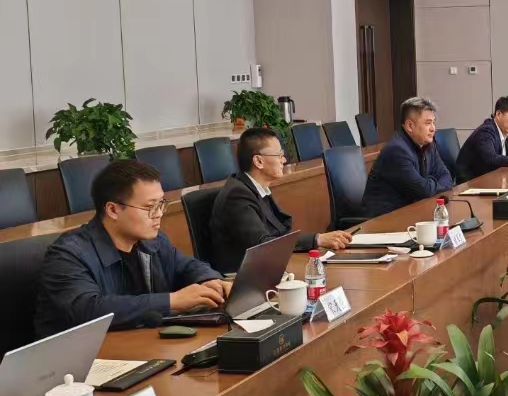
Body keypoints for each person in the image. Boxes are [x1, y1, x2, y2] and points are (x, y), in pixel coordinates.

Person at [35, 159, 229, 337]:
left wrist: (211, 281)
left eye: (161, 204)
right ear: (113, 210)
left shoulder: (153, 241)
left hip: (139, 345)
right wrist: (172, 301)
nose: (159, 214)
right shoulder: (68, 255)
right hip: (83, 356)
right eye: (150, 207)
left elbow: (186, 266)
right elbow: (89, 310)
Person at [209, 128, 352, 274]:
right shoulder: (237, 196)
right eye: (279, 155)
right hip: (245, 277)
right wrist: (317, 239)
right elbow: (263, 245)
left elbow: (280, 233)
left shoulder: (256, 188)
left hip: (267, 268)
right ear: (259, 161)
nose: (284, 160)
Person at [358, 96, 453, 220]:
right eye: (428, 123)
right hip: (383, 221)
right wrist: (432, 182)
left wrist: (428, 183)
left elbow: (447, 177)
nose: (433, 128)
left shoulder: (428, 145)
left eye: (433, 122)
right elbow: (423, 191)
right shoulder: (397, 151)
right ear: (409, 126)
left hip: (410, 213)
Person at [455, 96, 508, 182]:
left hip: (494, 179)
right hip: (471, 183)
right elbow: (491, 159)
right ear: (498, 114)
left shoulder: (507, 133)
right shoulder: (486, 131)